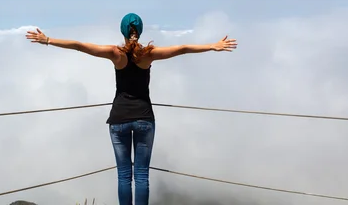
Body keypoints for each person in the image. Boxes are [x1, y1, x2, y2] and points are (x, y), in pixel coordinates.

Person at [25, 13, 237, 205]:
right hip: (144, 118)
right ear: (140, 31)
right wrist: (212, 45)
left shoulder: (114, 53)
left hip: (118, 120)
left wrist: (49, 40)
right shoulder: (149, 54)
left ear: (123, 31)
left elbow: (80, 45)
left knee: (124, 175)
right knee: (142, 175)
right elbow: (182, 49)